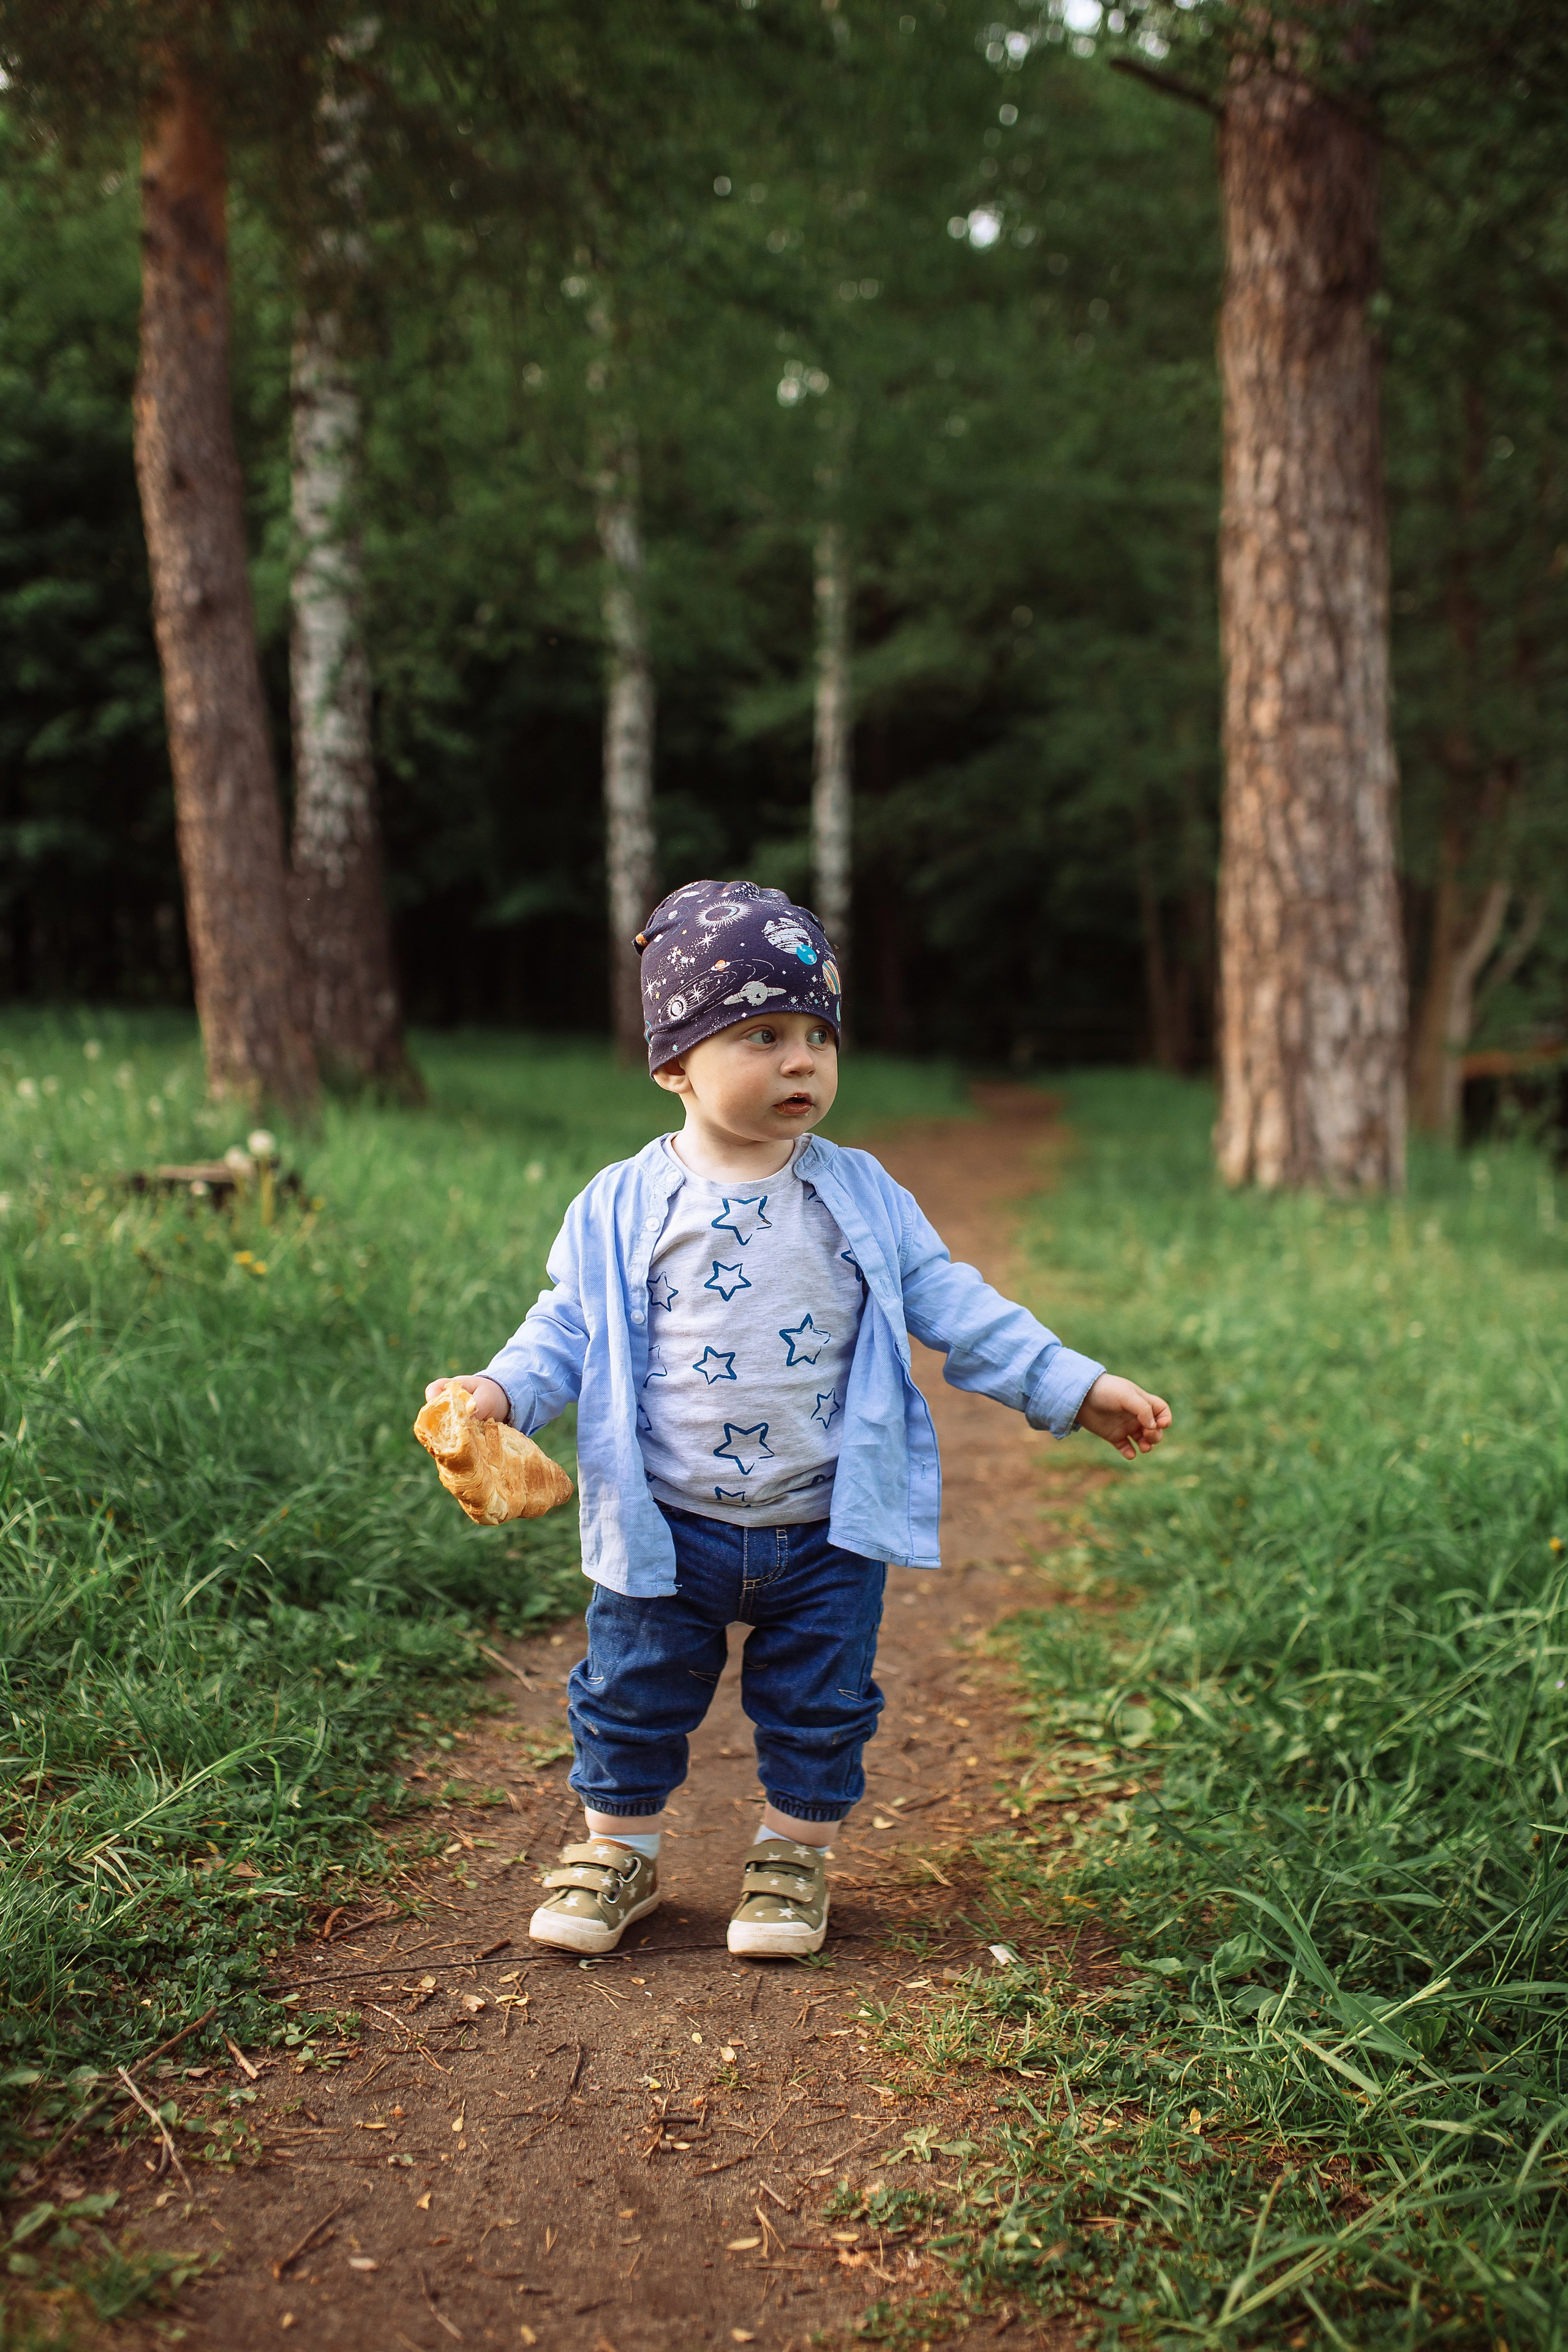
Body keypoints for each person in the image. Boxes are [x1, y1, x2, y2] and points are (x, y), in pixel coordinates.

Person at [424, 879, 1170, 1960]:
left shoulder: (859, 1192)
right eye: (762, 1035)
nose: (802, 1061)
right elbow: (565, 1330)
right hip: (665, 1520)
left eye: (819, 1034)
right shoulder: (623, 1202)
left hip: (823, 1523)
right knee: (629, 1694)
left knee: (820, 1704)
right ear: (676, 1063)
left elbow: (955, 1303)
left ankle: (792, 1857)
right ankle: (617, 1852)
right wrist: (495, 1394)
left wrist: (1072, 1385)